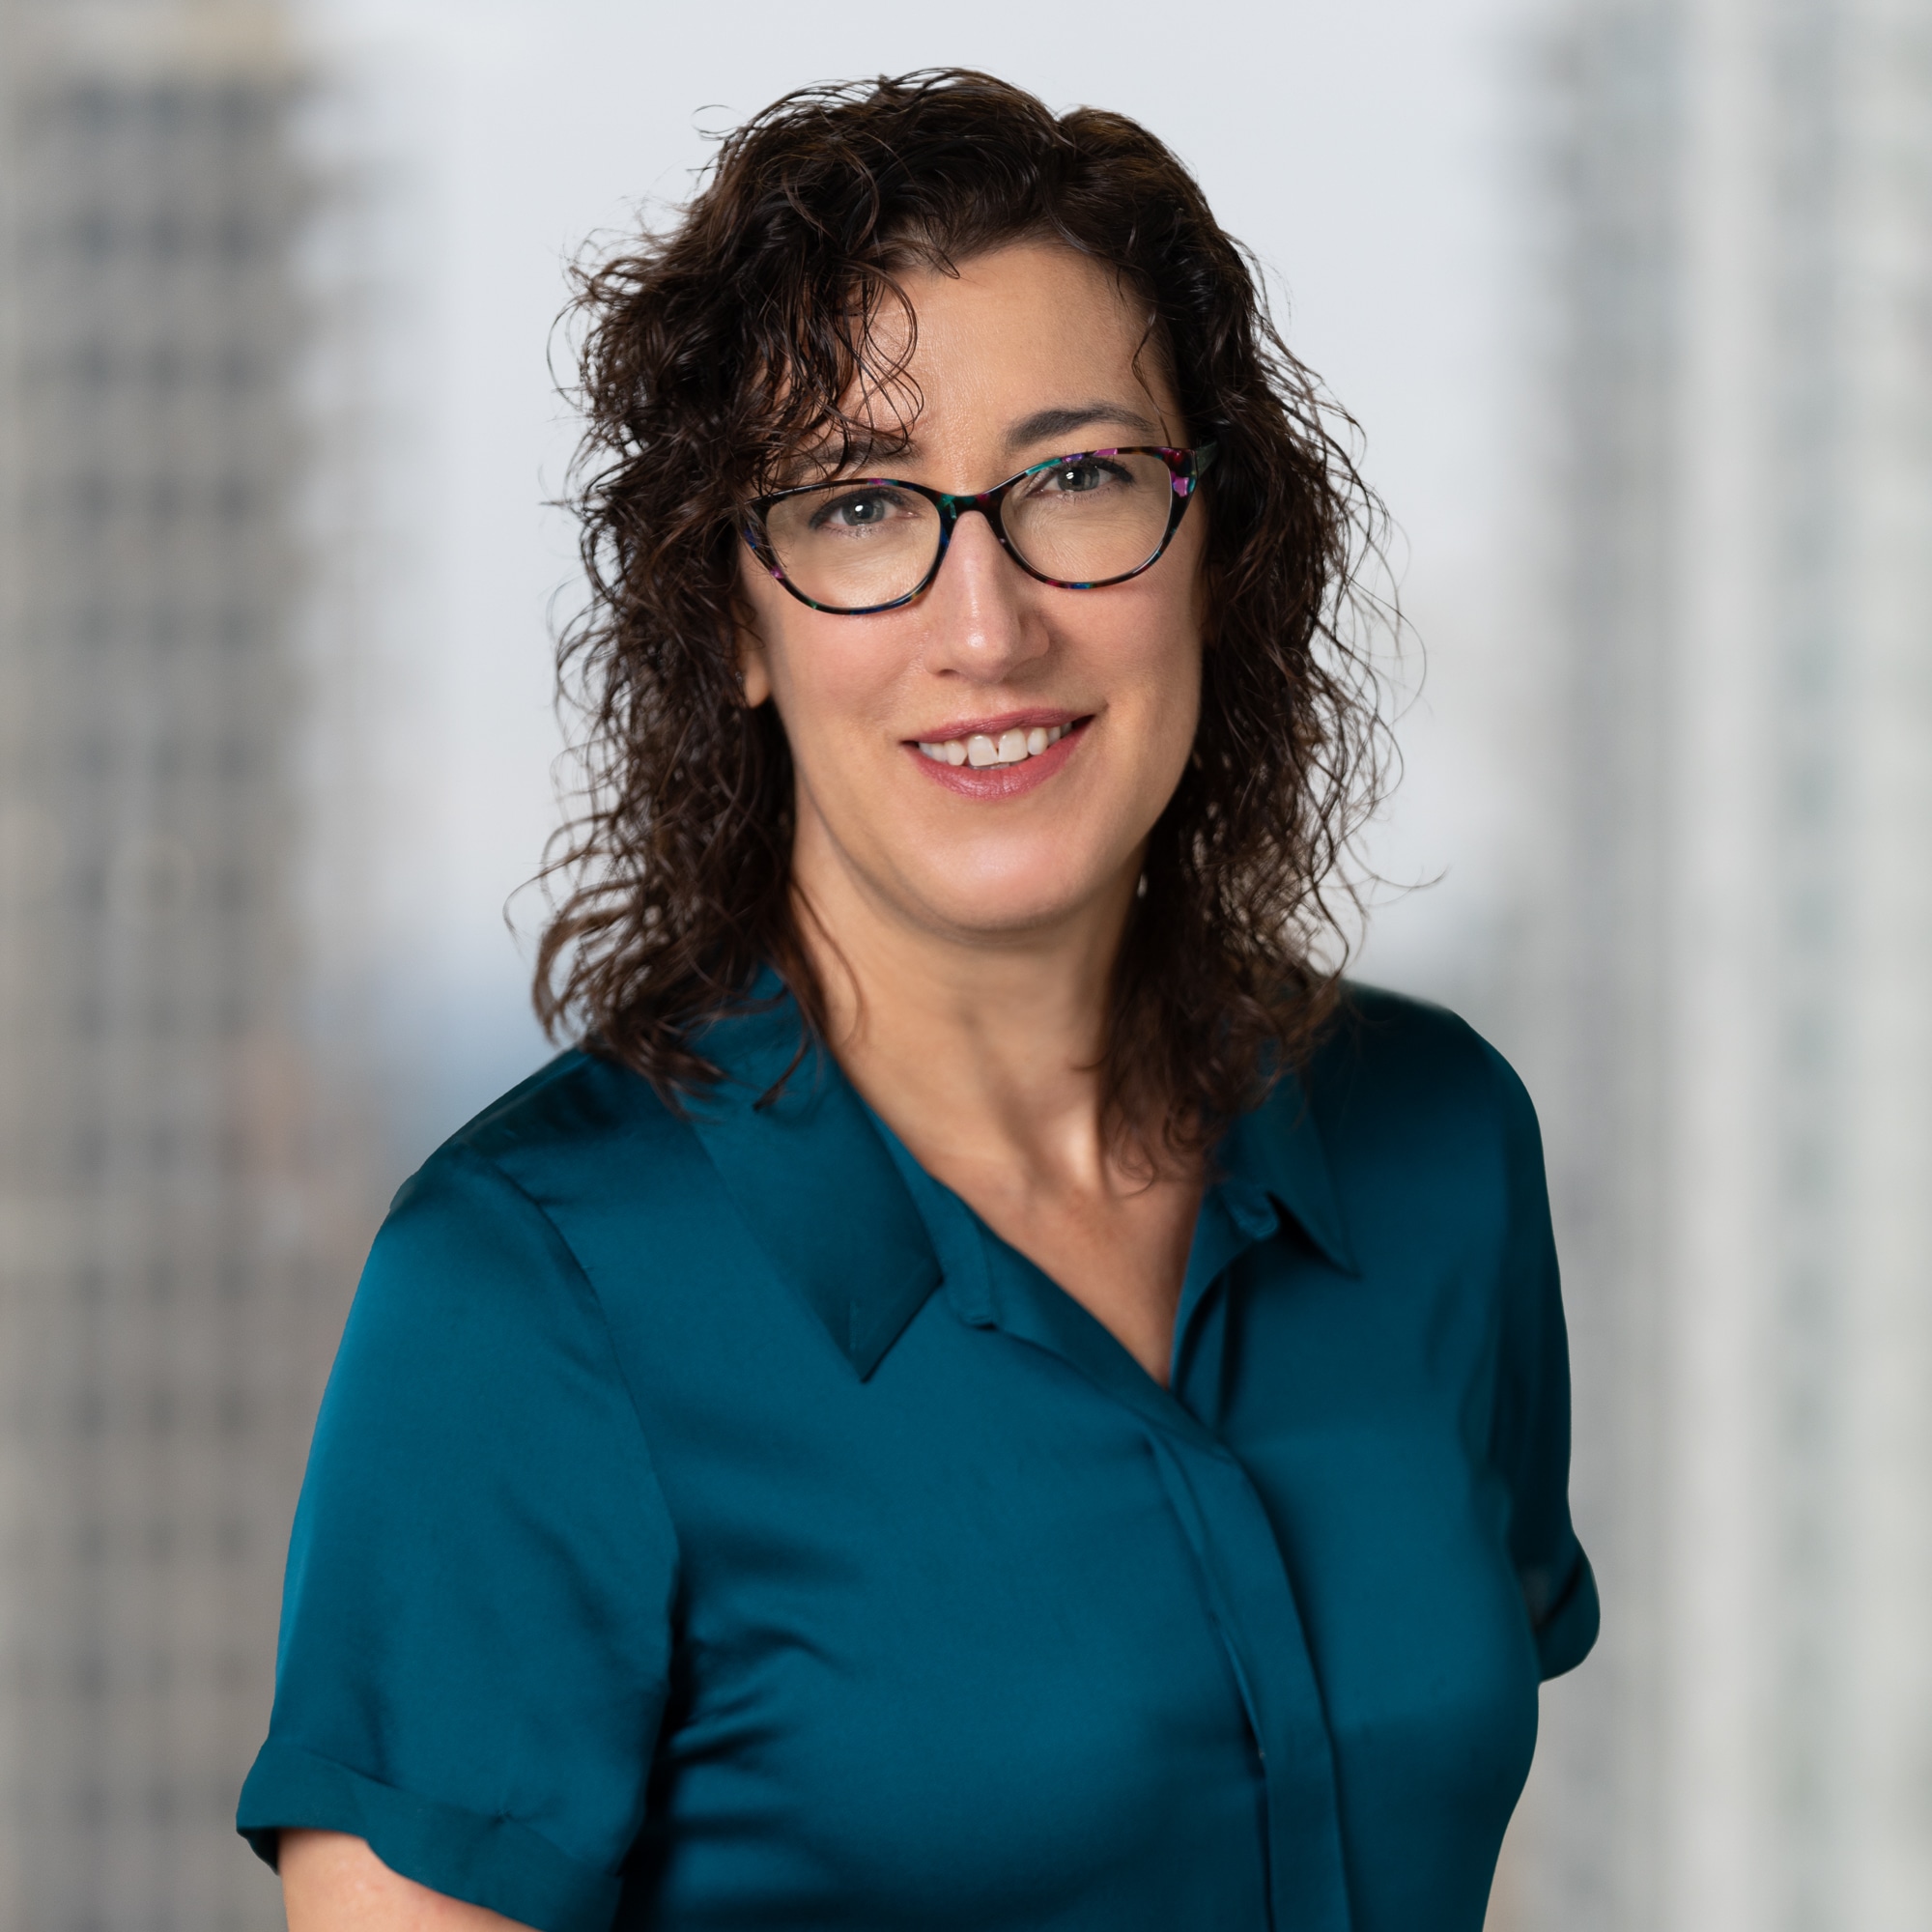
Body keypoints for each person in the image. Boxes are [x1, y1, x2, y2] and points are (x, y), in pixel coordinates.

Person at [238, 69, 1597, 1932]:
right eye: (864, 507)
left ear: (1218, 549)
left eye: (1080, 478)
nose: (990, 623)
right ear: (730, 614)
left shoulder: (1441, 1151)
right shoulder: (524, 1300)